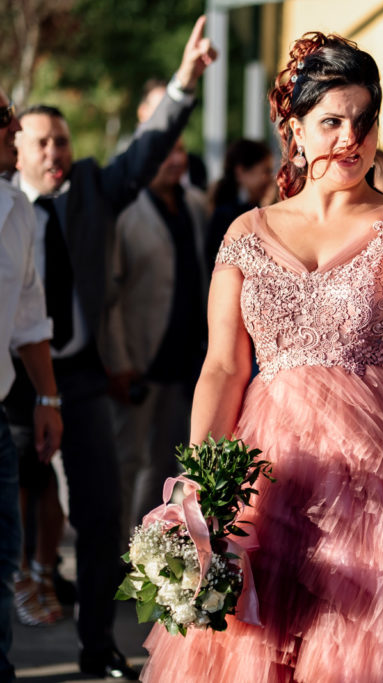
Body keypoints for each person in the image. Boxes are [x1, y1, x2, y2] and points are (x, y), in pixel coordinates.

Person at [139, 32, 383, 682]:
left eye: (364, 122)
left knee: (366, 648)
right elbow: (223, 366)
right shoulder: (247, 233)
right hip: (272, 472)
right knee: (267, 639)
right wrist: (197, 488)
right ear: (295, 127)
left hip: (382, 482)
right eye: (332, 121)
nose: (350, 138)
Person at [7, 17, 217, 679]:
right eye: (41, 141)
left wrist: (183, 84)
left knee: (101, 516)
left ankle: (97, 644)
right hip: (11, 383)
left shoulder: (94, 191)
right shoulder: (3, 208)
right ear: (17, 147)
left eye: (62, 140)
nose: (54, 151)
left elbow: (147, 149)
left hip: (83, 379)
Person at [101, 137, 210, 541]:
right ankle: (118, 551)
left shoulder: (197, 206)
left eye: (181, 150)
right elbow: (109, 298)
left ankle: (161, 550)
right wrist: (119, 359)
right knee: (129, 461)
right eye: (166, 151)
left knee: (176, 464)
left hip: (188, 358)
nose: (176, 159)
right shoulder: (126, 211)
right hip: (139, 359)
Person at [0, 85, 63, 683]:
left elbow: (28, 320)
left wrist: (47, 398)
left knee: (0, 562)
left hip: (4, 414)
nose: (13, 129)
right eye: (3, 119)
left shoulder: (15, 209)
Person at [203, 138, 274, 273]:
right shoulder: (227, 215)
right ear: (241, 172)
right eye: (266, 171)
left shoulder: (245, 209)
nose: (270, 178)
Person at [135, 78, 209, 191]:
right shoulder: (124, 161)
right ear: (142, 111)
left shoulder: (195, 166)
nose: (169, 117)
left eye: (174, 110)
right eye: (160, 110)